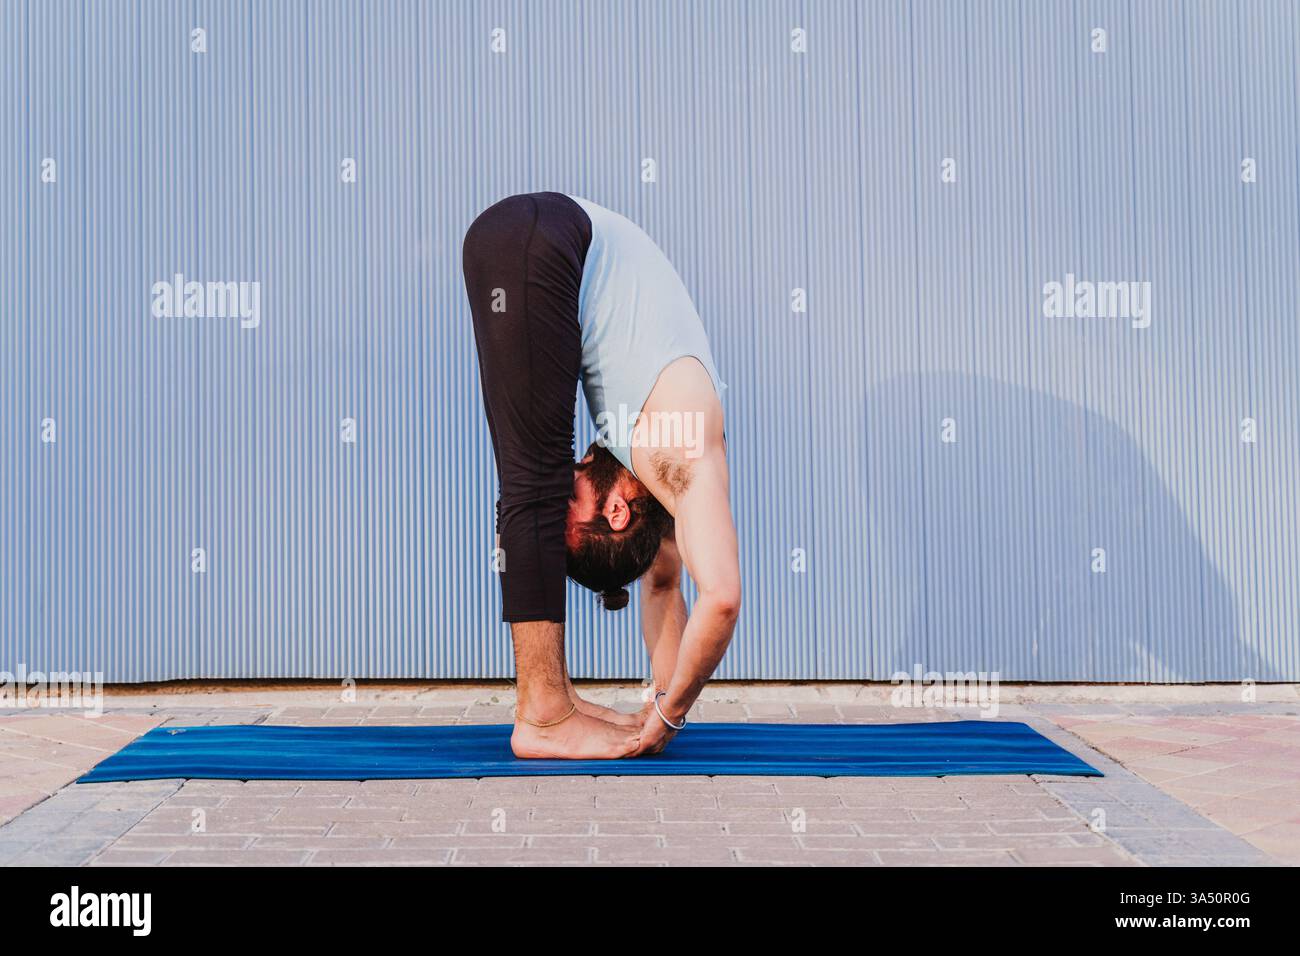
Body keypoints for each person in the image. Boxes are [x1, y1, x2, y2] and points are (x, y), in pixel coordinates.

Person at [462, 192, 741, 759]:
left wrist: (659, 706)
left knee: (532, 483)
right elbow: (723, 596)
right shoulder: (681, 451)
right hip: (541, 242)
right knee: (532, 487)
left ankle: (555, 697)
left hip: (534, 241)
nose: (576, 468)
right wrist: (671, 713)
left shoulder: (662, 485)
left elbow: (664, 583)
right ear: (616, 512)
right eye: (575, 494)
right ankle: (543, 714)